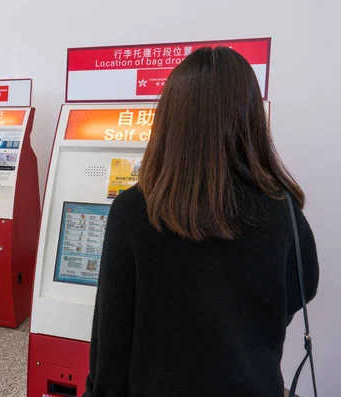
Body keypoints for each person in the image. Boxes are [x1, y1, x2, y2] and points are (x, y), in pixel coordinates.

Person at [83, 47, 320, 397]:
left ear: (170, 119)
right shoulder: (281, 208)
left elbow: (112, 339)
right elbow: (303, 287)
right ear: (251, 117)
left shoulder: (133, 211)